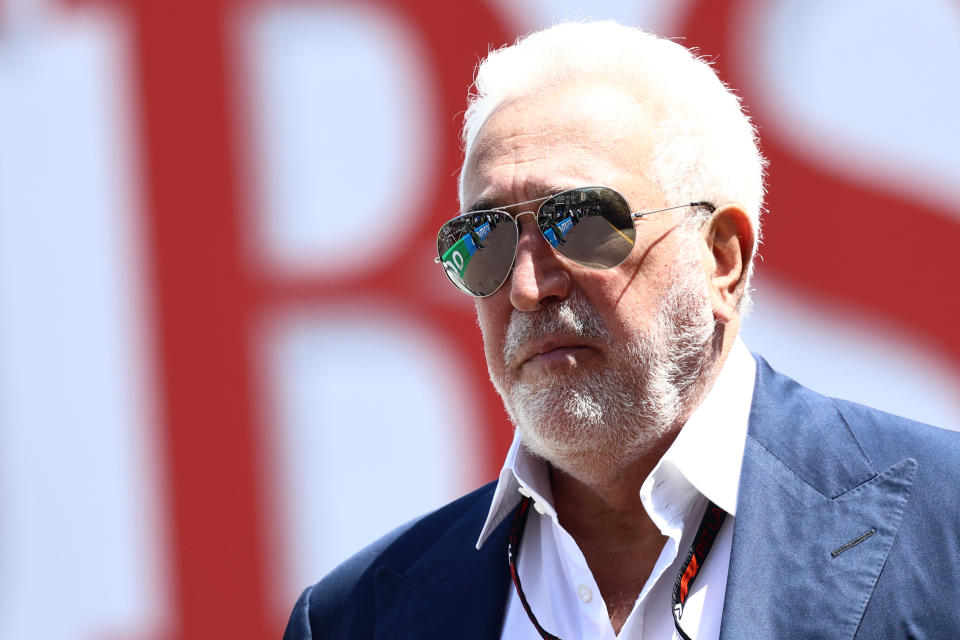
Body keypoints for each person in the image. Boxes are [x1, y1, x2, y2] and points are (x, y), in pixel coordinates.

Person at [283, 21, 960, 639]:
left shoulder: (944, 526)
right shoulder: (355, 617)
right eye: (481, 239)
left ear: (721, 257)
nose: (526, 287)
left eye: (578, 222)